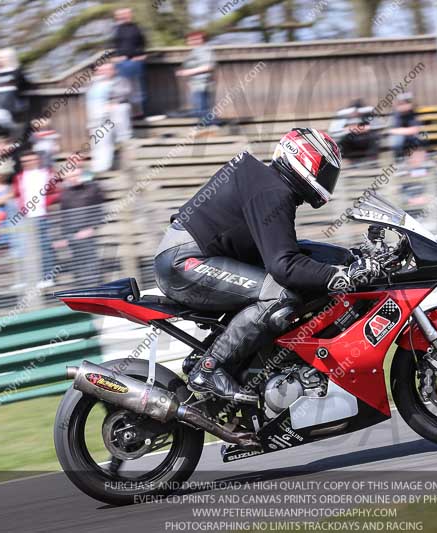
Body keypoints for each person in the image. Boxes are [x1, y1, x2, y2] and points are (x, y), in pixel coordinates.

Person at [154, 128, 379, 402]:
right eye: (325, 172)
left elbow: (288, 252)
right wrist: (340, 276)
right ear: (304, 161)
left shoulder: (269, 184)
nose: (327, 181)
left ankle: (247, 365)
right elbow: (284, 265)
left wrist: (347, 259)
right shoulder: (273, 191)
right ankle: (209, 369)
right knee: (279, 296)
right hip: (184, 263)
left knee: (305, 269)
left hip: (193, 257)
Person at [13, 151, 60, 287]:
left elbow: (56, 192)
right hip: (25, 217)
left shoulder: (47, 173)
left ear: (38, 160)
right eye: (25, 161)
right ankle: (27, 279)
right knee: (25, 248)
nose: (28, 163)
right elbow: (17, 194)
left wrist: (45, 203)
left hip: (41, 215)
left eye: (31, 160)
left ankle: (48, 277)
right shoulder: (19, 177)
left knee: (44, 247)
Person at [53, 166, 104, 284]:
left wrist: (92, 228)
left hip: (87, 234)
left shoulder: (93, 188)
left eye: (76, 176)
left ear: (82, 175)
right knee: (78, 266)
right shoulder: (65, 194)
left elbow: (100, 211)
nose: (73, 179)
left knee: (91, 266)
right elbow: (64, 217)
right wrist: (64, 237)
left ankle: (96, 291)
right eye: (71, 177)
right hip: (71, 234)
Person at [86, 62, 132, 173]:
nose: (104, 72)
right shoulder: (94, 84)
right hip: (96, 117)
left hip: (109, 116)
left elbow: (124, 94)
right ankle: (98, 168)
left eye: (107, 70)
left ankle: (104, 167)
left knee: (105, 142)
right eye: (101, 70)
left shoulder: (120, 81)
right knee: (97, 143)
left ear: (114, 70)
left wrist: (113, 102)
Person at [112, 7, 147, 118]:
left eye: (126, 14)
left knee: (137, 88)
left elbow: (143, 42)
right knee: (123, 90)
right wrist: (114, 58)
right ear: (117, 17)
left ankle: (139, 113)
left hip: (135, 61)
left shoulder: (136, 27)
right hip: (121, 62)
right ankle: (126, 114)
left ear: (130, 15)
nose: (124, 16)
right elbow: (111, 45)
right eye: (121, 14)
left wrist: (141, 55)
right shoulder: (115, 29)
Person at [176, 31, 215, 124]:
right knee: (201, 111)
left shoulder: (204, 50)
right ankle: (209, 129)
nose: (189, 42)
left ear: (200, 40)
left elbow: (208, 67)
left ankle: (211, 129)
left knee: (202, 111)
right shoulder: (197, 50)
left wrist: (187, 72)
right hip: (197, 84)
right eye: (189, 40)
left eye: (192, 39)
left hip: (202, 85)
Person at [389, 92, 426, 176]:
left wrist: (402, 131)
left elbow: (416, 129)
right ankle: (400, 164)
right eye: (403, 103)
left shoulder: (413, 113)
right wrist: (406, 131)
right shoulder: (396, 114)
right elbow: (392, 131)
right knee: (397, 139)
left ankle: (418, 169)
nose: (405, 105)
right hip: (402, 143)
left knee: (421, 138)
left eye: (407, 102)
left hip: (413, 140)